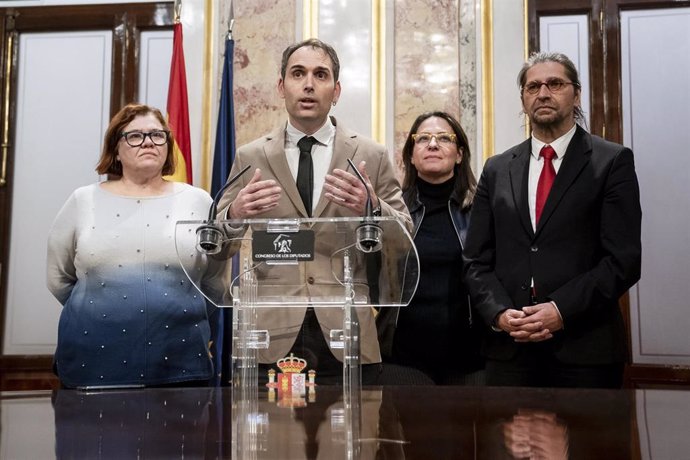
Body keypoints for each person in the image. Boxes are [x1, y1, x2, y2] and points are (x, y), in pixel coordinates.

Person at [217, 39, 417, 385]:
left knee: (355, 435)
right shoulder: (251, 156)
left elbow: (404, 242)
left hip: (346, 334)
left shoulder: (370, 154)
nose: (309, 84)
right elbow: (217, 246)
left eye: (320, 75)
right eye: (298, 73)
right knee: (274, 439)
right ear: (282, 87)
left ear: (335, 90)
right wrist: (234, 214)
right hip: (271, 333)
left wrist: (373, 208)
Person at [463, 52, 642, 388]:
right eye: (533, 87)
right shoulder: (497, 168)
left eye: (555, 84)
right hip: (509, 351)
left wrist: (560, 310)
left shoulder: (612, 161)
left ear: (576, 94)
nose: (543, 93)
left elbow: (623, 260)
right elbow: (475, 261)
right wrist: (500, 313)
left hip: (585, 351)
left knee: (588, 444)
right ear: (523, 99)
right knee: (508, 442)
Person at [47, 103, 223, 388]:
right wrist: (107, 311)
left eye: (157, 135)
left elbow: (215, 278)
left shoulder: (198, 201)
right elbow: (58, 278)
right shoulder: (83, 201)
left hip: (180, 357)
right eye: (135, 136)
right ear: (115, 148)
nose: (148, 142)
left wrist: (174, 311)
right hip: (93, 357)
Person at [378, 111, 484, 384]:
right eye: (423, 138)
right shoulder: (393, 212)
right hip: (403, 358)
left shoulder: (483, 209)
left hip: (471, 359)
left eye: (444, 138)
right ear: (411, 156)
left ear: (459, 154)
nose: (433, 144)